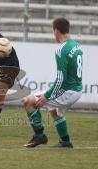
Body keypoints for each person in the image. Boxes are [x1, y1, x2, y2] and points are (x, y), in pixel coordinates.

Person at [22, 17, 83, 148]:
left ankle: (40, 136)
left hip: (68, 90)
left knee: (28, 101)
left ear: (56, 31)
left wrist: (47, 96)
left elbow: (61, 79)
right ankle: (65, 142)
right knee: (54, 111)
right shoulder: (76, 45)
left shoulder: (62, 49)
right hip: (77, 90)